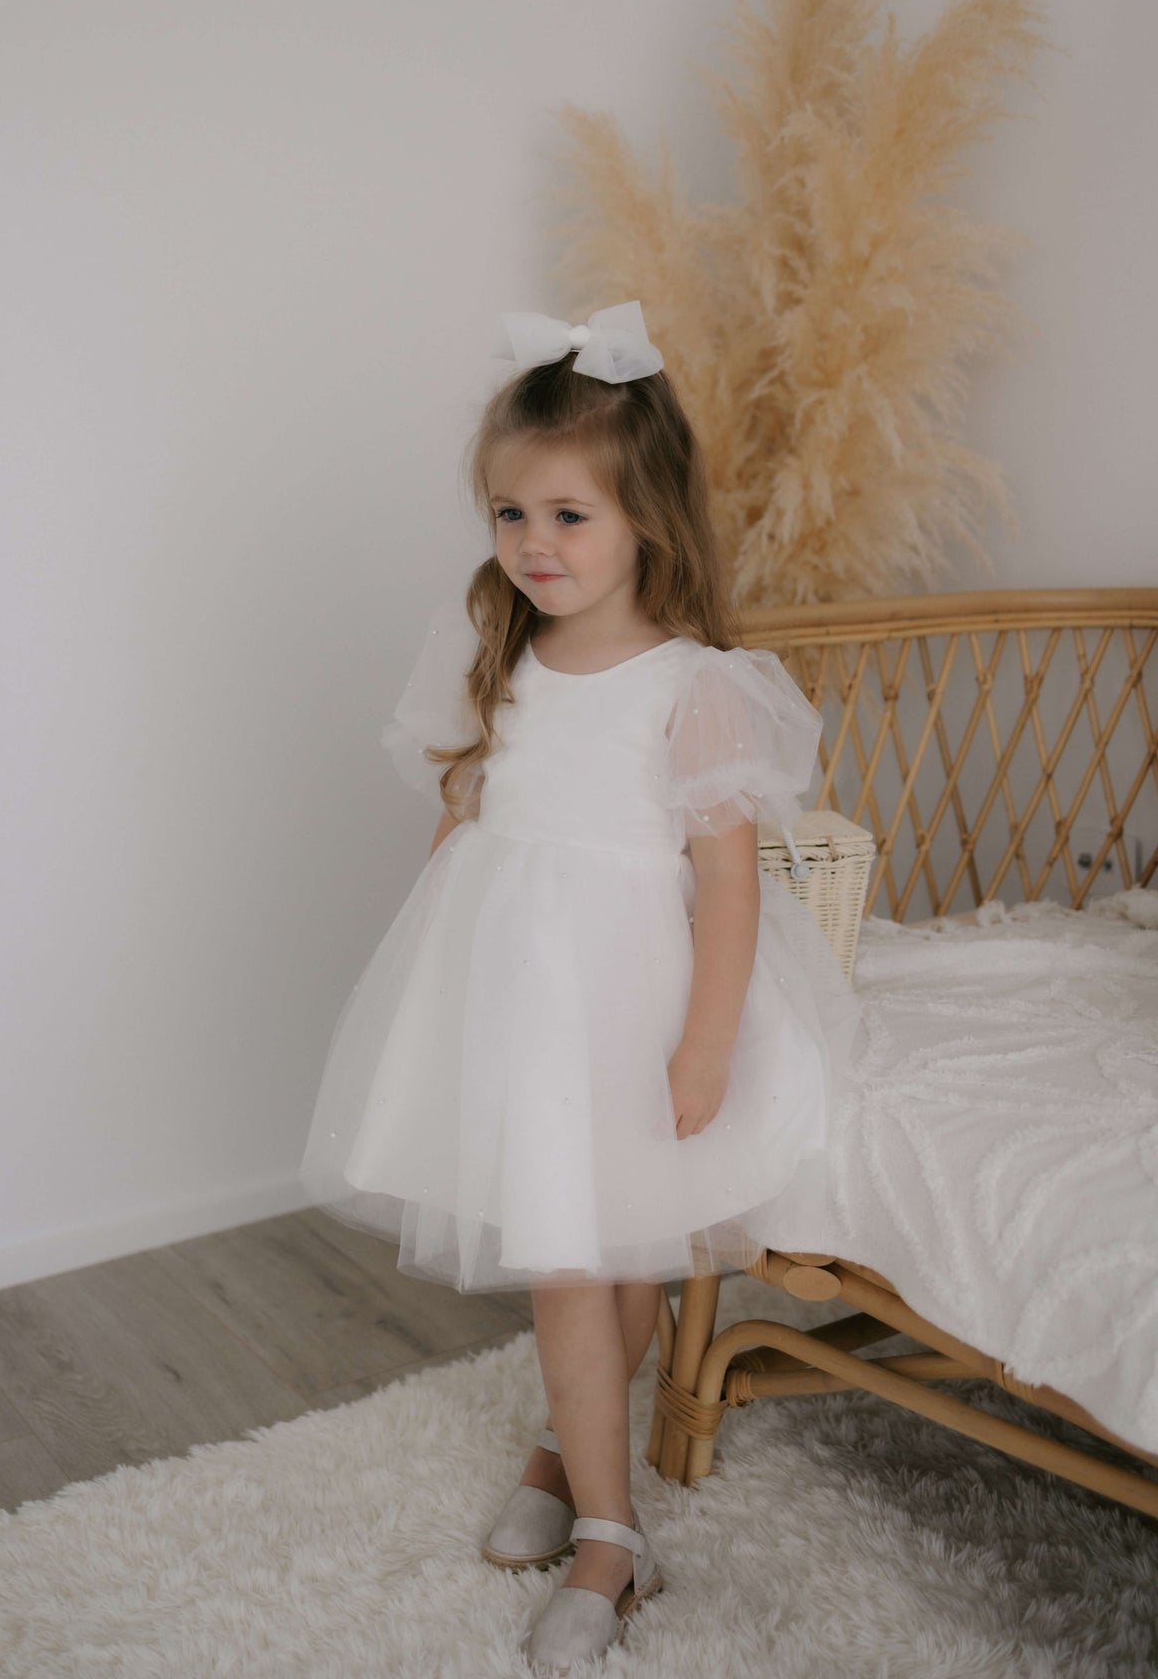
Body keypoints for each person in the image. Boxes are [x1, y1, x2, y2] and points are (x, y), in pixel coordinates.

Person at [299, 301, 865, 1675]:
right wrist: (432, 974)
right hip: (517, 992)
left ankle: (611, 1538)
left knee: (605, 1253)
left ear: (646, 521)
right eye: (510, 515)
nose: (535, 548)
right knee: (579, 1248)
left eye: (569, 517)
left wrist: (705, 1046)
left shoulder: (696, 687)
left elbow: (727, 886)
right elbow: (470, 821)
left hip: (635, 998)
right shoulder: (502, 645)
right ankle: (573, 1452)